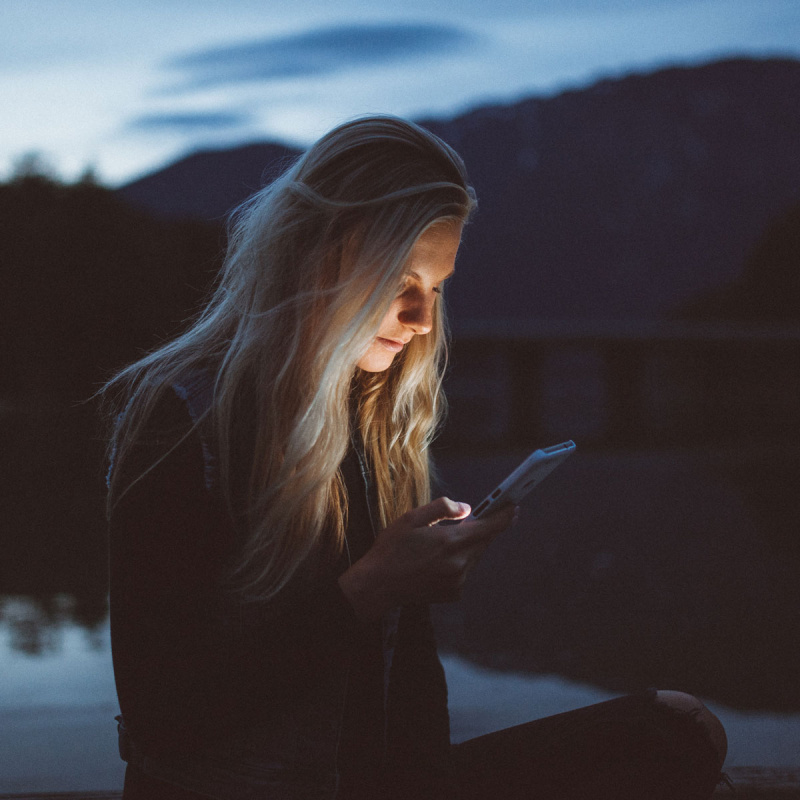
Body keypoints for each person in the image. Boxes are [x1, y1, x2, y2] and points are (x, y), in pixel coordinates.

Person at [104, 116, 727, 800]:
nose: (422, 319)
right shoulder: (184, 419)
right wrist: (371, 590)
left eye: (435, 287)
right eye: (401, 279)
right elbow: (166, 721)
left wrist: (412, 586)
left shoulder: (369, 417)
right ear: (319, 255)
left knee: (680, 726)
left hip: (380, 780)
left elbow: (410, 705)